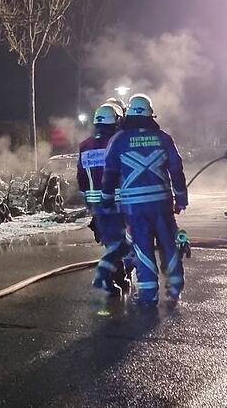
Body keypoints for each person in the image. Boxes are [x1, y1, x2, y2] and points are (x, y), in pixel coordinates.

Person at [101, 94, 189, 307]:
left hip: (134, 207)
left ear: (128, 115)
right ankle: (175, 289)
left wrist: (107, 201)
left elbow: (110, 173)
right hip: (162, 203)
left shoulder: (119, 140)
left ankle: (148, 296)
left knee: (142, 248)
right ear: (151, 115)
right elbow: (176, 170)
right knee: (169, 244)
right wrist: (181, 198)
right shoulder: (163, 138)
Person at [77, 103, 130, 295]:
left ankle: (118, 276)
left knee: (111, 242)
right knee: (126, 242)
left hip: (96, 204)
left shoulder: (85, 145)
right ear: (116, 120)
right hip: (118, 201)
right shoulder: (118, 142)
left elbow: (81, 178)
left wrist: (89, 201)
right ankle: (115, 276)